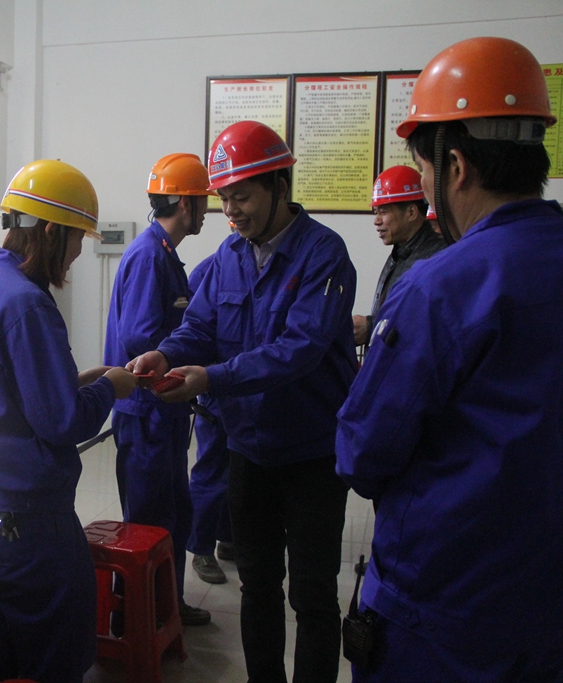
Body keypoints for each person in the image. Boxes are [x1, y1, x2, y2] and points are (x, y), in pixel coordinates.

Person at [335, 36, 563, 682]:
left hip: (440, 618)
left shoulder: (439, 288)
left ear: (455, 166)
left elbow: (362, 453)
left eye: (423, 175)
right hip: (555, 610)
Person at [130, 120, 357, 683]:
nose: (231, 211)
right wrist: (165, 352)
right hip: (249, 452)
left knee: (312, 594)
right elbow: (199, 326)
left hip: (311, 455)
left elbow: (298, 351)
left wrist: (210, 378)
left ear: (280, 186)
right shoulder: (229, 255)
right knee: (258, 587)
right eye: (224, 198)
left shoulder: (324, 255)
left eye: (243, 196)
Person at [0, 159, 139, 683]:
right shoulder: (27, 305)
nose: (78, 253)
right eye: (77, 239)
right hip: (22, 522)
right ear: (50, 231)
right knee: (57, 652)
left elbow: (6, 395)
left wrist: (82, 379)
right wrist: (111, 389)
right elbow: (63, 423)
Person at [103, 152, 214, 625]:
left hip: (163, 413)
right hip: (146, 413)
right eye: (204, 200)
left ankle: (166, 608)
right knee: (149, 521)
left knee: (173, 513)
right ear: (186, 204)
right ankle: (137, 620)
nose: (208, 210)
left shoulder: (163, 253)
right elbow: (140, 339)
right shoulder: (150, 256)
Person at [352, 165, 445, 349]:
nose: (376, 221)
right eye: (376, 212)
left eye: (384, 212)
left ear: (411, 212)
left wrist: (371, 327)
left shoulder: (436, 258)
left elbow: (430, 323)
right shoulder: (401, 252)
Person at [184, 254, 233, 586]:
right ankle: (200, 548)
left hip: (245, 387)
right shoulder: (213, 269)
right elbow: (193, 329)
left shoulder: (269, 267)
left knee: (236, 472)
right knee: (212, 471)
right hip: (215, 389)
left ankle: (227, 538)